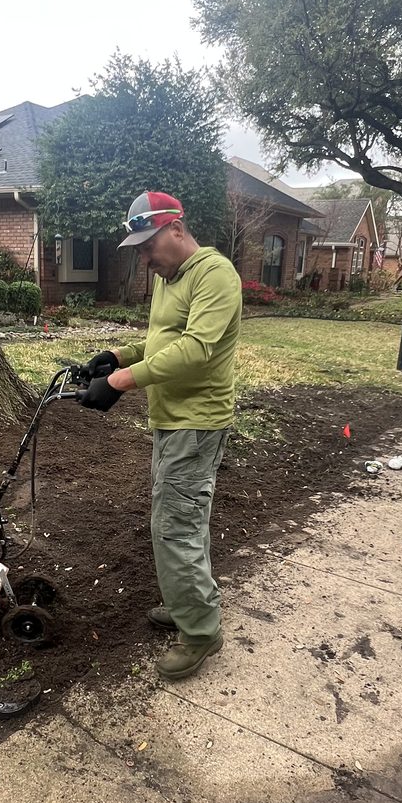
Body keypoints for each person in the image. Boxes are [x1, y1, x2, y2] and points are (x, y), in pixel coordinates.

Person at [79, 191, 242, 681]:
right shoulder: (172, 279)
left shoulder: (215, 275)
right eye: (138, 250)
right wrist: (119, 356)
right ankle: (187, 600)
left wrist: (119, 383)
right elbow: (164, 338)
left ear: (175, 228)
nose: (144, 259)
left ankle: (199, 632)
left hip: (196, 421)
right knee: (180, 519)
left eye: (147, 247)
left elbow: (197, 349)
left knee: (177, 525)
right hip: (171, 420)